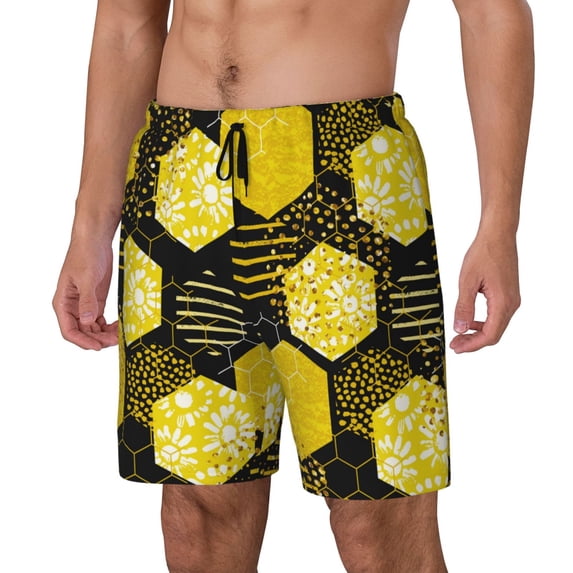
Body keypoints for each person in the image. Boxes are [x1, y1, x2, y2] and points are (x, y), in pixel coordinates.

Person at [52, 0, 534, 571]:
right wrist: (90, 228)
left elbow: (492, 15)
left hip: (346, 180)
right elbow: (127, 25)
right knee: (199, 510)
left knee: (376, 513)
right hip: (180, 179)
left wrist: (499, 226)